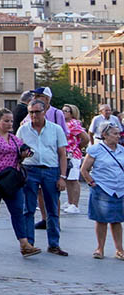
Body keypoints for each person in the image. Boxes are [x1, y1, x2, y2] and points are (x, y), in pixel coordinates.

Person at [0, 108, 42, 257]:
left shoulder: (14, 139)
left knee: (17, 209)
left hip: (10, 181)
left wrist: (24, 154)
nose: (9, 123)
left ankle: (24, 243)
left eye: (11, 121)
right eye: (6, 121)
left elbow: (19, 156)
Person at [17, 98, 69, 256]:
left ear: (45, 111)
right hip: (30, 169)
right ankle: (29, 244)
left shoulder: (55, 129)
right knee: (28, 209)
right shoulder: (23, 130)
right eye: (31, 112)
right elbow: (17, 153)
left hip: (50, 170)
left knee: (52, 209)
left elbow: (62, 154)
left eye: (37, 112)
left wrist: (62, 177)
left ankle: (54, 244)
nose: (34, 115)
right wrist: (22, 156)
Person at [80, 124, 124, 260]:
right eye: (115, 134)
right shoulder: (95, 149)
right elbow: (84, 169)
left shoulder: (122, 150)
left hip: (119, 190)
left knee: (117, 221)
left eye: (119, 134)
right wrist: (92, 183)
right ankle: (100, 248)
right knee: (101, 220)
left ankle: (119, 249)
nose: (118, 136)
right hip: (103, 188)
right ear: (105, 135)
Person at [62, 104, 90, 214]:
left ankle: (75, 204)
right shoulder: (65, 124)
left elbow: (85, 138)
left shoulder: (73, 124)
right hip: (66, 154)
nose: (63, 112)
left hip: (73, 154)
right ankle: (70, 202)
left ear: (72, 113)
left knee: (73, 180)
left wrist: (77, 147)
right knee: (69, 179)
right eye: (63, 110)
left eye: (66, 111)